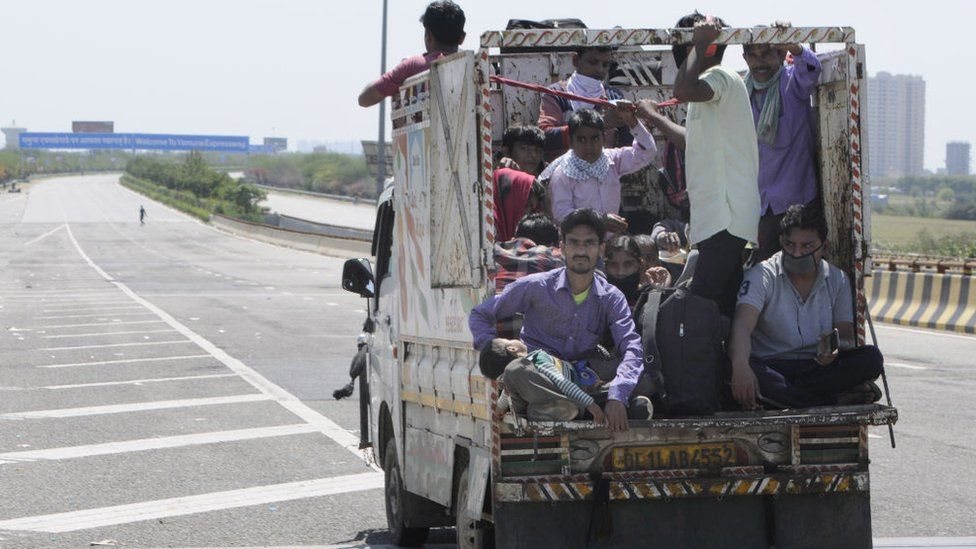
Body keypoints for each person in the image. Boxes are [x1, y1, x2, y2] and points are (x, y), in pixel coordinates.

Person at [469, 208, 645, 431]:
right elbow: (480, 314)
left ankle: (575, 407)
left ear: (601, 249)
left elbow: (631, 346)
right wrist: (494, 350)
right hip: (540, 376)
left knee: (640, 375)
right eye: (574, 243)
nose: (581, 251)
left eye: (589, 243)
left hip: (582, 376)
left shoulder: (611, 297)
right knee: (516, 371)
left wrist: (618, 395)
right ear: (562, 248)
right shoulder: (536, 286)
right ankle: (584, 406)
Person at [728, 203, 883, 409]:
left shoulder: (838, 279)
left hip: (816, 367)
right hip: (772, 365)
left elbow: (846, 335)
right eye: (790, 245)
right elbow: (741, 326)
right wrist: (740, 368)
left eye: (807, 246)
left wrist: (833, 350)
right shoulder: (762, 275)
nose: (798, 253)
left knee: (871, 358)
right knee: (742, 372)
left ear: (824, 247)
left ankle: (793, 400)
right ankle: (833, 401)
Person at [671, 12, 760, 317]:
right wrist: (650, 117)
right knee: (721, 306)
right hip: (717, 219)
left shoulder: (719, 78)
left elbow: (680, 91)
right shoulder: (708, 92)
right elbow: (691, 141)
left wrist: (699, 43)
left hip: (725, 217)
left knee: (700, 305)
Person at [742, 24, 823, 261]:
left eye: (766, 53)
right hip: (759, 208)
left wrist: (794, 45)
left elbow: (811, 68)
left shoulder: (792, 83)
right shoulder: (740, 93)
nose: (759, 63)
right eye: (753, 55)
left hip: (798, 207)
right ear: (744, 58)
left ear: (779, 53)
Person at [541, 107, 658, 233]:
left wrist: (632, 121)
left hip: (610, 240)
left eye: (594, 138)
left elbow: (647, 152)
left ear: (603, 139)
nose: (589, 146)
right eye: (581, 139)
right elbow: (561, 215)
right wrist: (598, 220)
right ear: (571, 142)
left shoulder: (612, 159)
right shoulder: (563, 172)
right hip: (579, 242)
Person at [357, 1, 466, 107]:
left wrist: (402, 75)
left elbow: (364, 99)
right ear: (462, 38)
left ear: (428, 36)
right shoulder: (471, 66)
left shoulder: (414, 65)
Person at [537, 46, 632, 161]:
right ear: (576, 60)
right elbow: (544, 137)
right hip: (564, 173)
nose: (600, 70)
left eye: (605, 65)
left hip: (604, 173)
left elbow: (627, 147)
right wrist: (601, 124)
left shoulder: (614, 97)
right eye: (593, 62)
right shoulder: (556, 94)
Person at [479, 338, 607, 422]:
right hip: (567, 395)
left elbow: (561, 382)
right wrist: (591, 405)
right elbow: (562, 382)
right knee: (530, 406)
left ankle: (557, 408)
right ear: (512, 348)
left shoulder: (529, 365)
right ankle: (554, 408)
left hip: (565, 397)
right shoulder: (535, 358)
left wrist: (499, 410)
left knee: (528, 405)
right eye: (509, 340)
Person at [493, 125, 546, 242]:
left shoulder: (547, 178)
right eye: (524, 149)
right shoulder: (499, 180)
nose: (532, 155)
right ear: (507, 152)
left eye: (537, 150)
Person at [493, 213, 563, 294]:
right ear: (552, 245)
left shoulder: (496, 250)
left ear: (515, 238)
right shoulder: (551, 255)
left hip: (492, 303)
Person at [604, 234, 671, 307]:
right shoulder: (598, 295)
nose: (621, 272)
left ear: (640, 264)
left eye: (628, 264)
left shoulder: (648, 296)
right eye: (614, 265)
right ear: (605, 266)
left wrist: (661, 293)